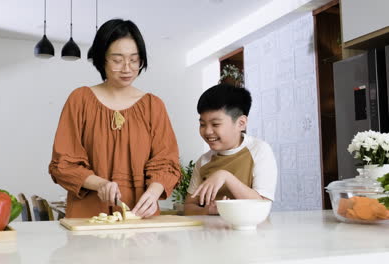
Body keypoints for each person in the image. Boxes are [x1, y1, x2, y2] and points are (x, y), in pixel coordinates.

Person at [49, 19, 181, 218]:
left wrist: (153, 193)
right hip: (89, 218)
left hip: (140, 219)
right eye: (118, 60)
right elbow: (64, 163)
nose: (127, 68)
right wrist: (100, 184)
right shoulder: (80, 100)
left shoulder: (154, 106)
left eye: (134, 60)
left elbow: (166, 163)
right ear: (102, 59)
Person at [184, 83, 277, 215]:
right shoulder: (204, 161)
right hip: (212, 233)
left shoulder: (259, 150)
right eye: (202, 124)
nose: (208, 131)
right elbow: (188, 207)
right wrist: (208, 210)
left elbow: (262, 206)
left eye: (215, 124)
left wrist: (226, 177)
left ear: (241, 123)